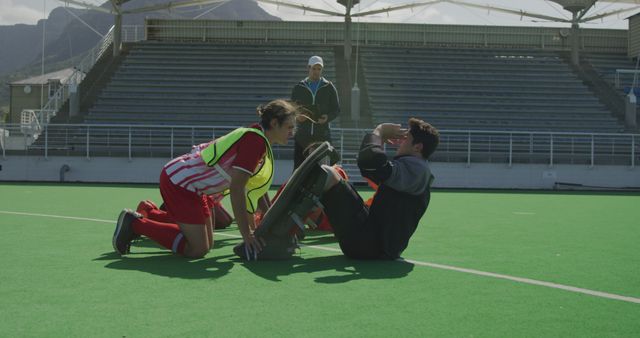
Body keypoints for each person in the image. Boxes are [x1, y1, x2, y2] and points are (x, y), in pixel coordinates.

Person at [112, 99, 299, 258]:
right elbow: (237, 190)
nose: (292, 133)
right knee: (198, 249)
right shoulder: (255, 142)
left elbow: (254, 191)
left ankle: (150, 213)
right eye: (289, 127)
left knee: (207, 244)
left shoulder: (259, 140)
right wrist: (247, 234)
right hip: (180, 183)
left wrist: (261, 226)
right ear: (274, 123)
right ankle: (135, 224)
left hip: (195, 188)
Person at [317, 118, 439, 259]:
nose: (399, 142)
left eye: (405, 139)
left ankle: (287, 228)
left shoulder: (417, 169)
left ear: (417, 147)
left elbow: (373, 163)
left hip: (370, 245)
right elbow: (370, 167)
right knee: (332, 175)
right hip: (375, 243)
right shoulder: (417, 169)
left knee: (326, 173)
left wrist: (379, 132)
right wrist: (378, 140)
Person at [291, 55, 340, 169]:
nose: (316, 71)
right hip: (302, 135)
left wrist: (327, 117)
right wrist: (298, 117)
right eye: (314, 68)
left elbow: (336, 109)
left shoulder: (329, 86)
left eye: (319, 69)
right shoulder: (299, 87)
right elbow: (292, 108)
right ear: (308, 68)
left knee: (324, 168)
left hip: (322, 134)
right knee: (299, 168)